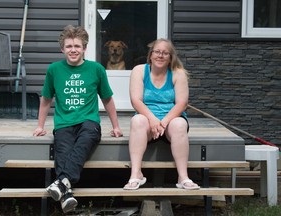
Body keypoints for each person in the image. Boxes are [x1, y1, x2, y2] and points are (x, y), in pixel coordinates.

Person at [33, 25, 123, 213]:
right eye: (68, 46)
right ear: (62, 49)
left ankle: (61, 182)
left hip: (88, 121)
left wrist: (116, 126)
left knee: (86, 139)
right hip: (64, 122)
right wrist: (40, 125)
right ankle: (66, 193)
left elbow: (107, 99)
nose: (73, 50)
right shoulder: (54, 69)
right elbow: (46, 99)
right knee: (63, 150)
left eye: (77, 46)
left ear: (84, 48)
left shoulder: (96, 69)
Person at [123, 38, 200, 190]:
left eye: (165, 53)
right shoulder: (139, 71)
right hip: (147, 119)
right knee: (137, 120)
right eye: (157, 52)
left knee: (179, 124)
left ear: (171, 57)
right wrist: (152, 120)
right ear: (150, 55)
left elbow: (182, 104)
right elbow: (136, 100)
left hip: (170, 120)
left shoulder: (178, 74)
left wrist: (163, 122)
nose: (160, 56)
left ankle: (183, 177)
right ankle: (135, 174)